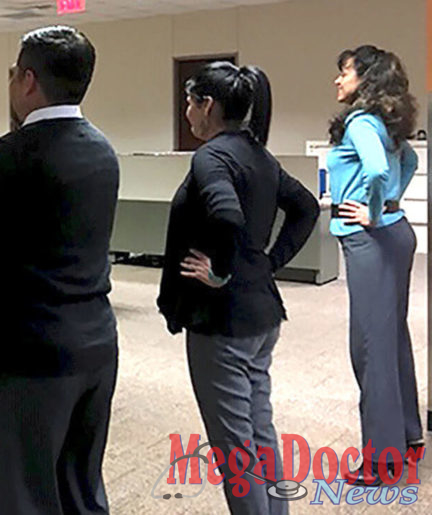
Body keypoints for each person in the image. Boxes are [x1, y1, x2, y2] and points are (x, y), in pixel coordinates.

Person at [0, 26, 119, 514]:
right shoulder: (101, 149)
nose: (13, 81)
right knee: (80, 487)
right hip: (96, 342)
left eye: (15, 72)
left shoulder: (6, 156)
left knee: (23, 493)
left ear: (29, 81)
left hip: (29, 353)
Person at [156, 62, 318, 513]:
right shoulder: (258, 155)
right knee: (258, 431)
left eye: (190, 101)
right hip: (260, 316)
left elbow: (226, 214)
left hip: (222, 322)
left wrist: (223, 272)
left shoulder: (211, 157)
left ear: (208, 106)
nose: (187, 111)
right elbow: (305, 208)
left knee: (235, 450)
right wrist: (267, 263)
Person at [326, 44, 422, 485]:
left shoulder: (362, 122)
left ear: (365, 78)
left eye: (344, 72)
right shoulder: (386, 123)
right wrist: (392, 206)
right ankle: (406, 435)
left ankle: (382, 461)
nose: (338, 80)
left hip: (373, 239)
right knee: (390, 338)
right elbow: (411, 159)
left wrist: (376, 210)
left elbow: (379, 170)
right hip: (397, 237)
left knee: (370, 348)